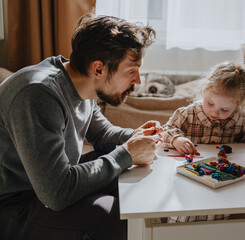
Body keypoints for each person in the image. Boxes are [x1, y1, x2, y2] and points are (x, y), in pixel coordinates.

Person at [0, 13, 162, 240]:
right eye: (131, 71)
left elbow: (104, 134)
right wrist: (126, 153)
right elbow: (56, 193)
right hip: (13, 203)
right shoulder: (38, 94)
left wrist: (144, 137)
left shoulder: (81, 85)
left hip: (46, 187)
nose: (138, 81)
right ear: (98, 69)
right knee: (107, 213)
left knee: (126, 177)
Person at [162, 61, 245, 223]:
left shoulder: (242, 119)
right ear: (204, 90)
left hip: (222, 184)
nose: (215, 112)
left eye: (225, 110)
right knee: (181, 218)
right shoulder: (188, 114)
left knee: (216, 221)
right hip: (188, 180)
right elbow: (166, 131)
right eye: (210, 103)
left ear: (238, 105)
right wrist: (176, 139)